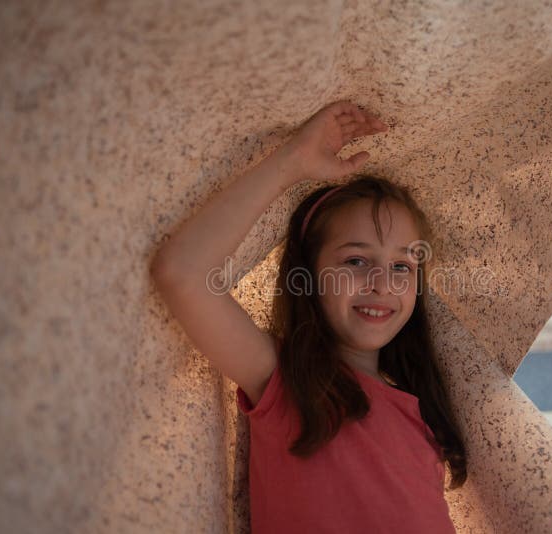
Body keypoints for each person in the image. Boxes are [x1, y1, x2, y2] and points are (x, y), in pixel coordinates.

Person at [150, 100, 467, 533]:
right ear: (307, 275)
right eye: (356, 261)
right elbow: (182, 272)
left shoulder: (421, 415)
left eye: (402, 266)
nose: (382, 282)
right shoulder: (285, 382)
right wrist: (292, 162)